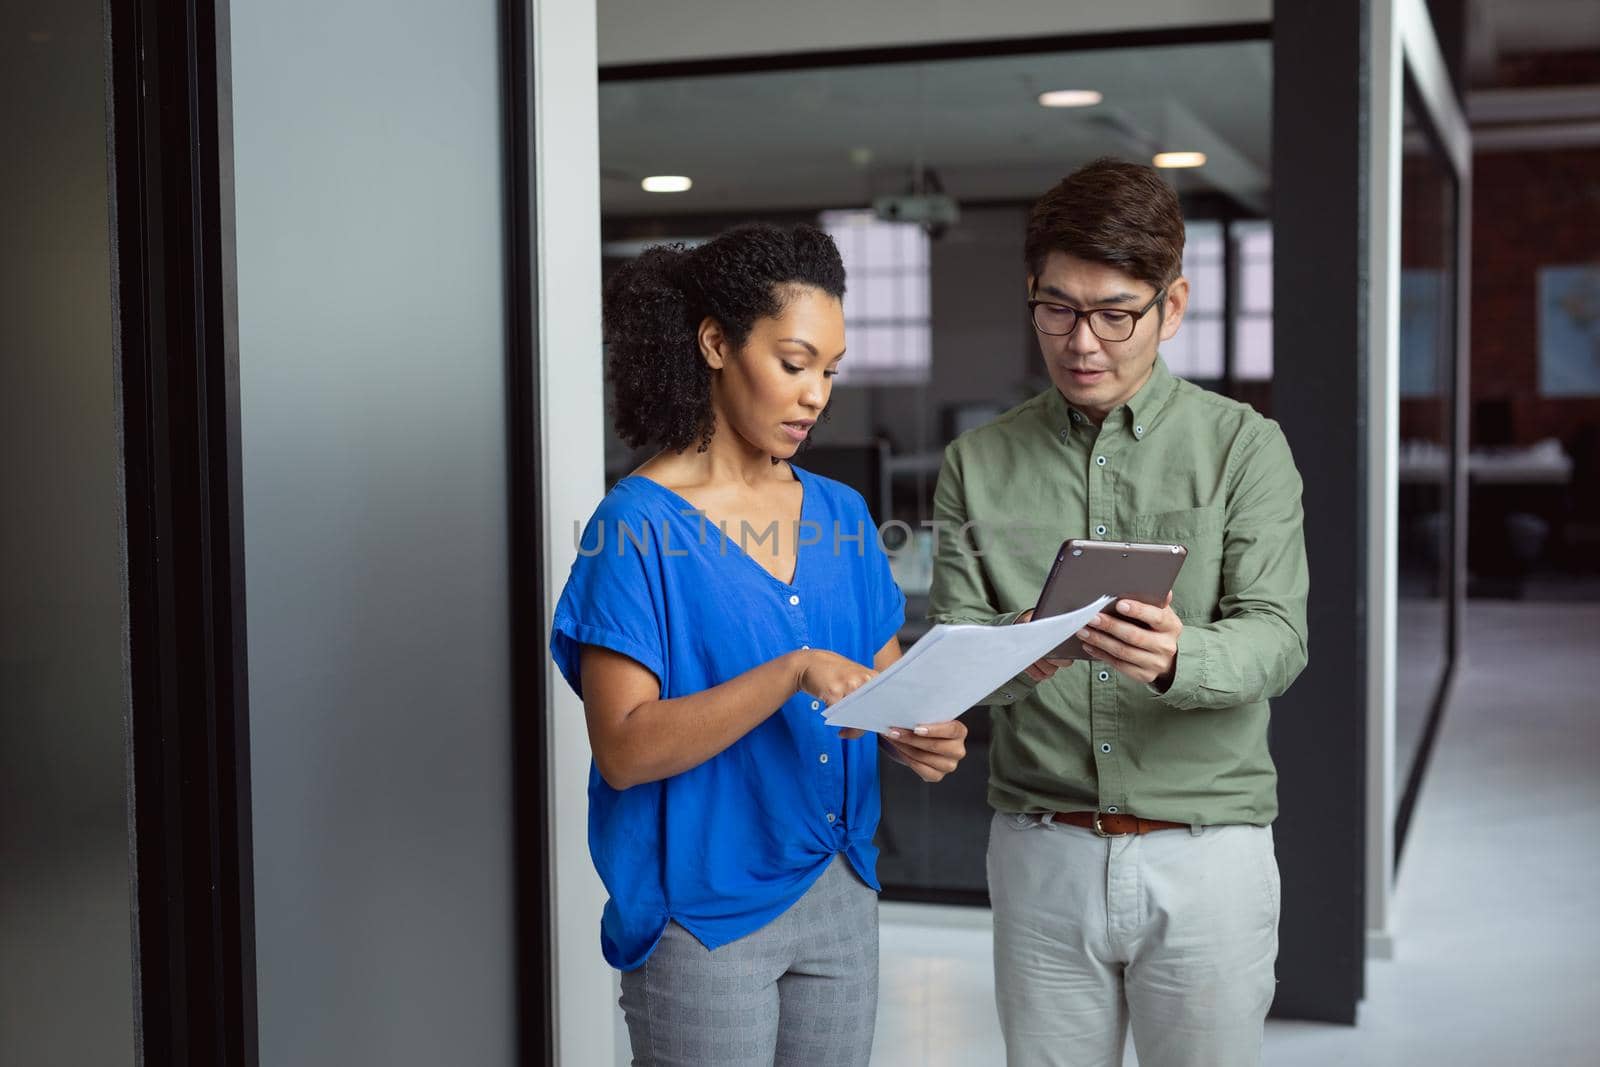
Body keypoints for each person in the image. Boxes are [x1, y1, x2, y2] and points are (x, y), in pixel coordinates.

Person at [550, 222, 969, 1067]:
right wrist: (788, 672)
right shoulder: (631, 527)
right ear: (715, 343)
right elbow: (624, 748)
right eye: (794, 362)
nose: (816, 393)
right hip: (704, 913)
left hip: (840, 890)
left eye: (829, 370)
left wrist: (920, 727)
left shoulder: (844, 514)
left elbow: (877, 679)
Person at [928, 158, 1309, 1067]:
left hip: (1207, 853)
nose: (1081, 342)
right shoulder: (975, 463)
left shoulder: (1243, 448)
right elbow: (956, 648)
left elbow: (1279, 638)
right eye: (1056, 308)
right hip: (1040, 852)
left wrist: (1181, 656)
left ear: (1171, 307)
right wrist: (1015, 654)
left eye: (1114, 313)